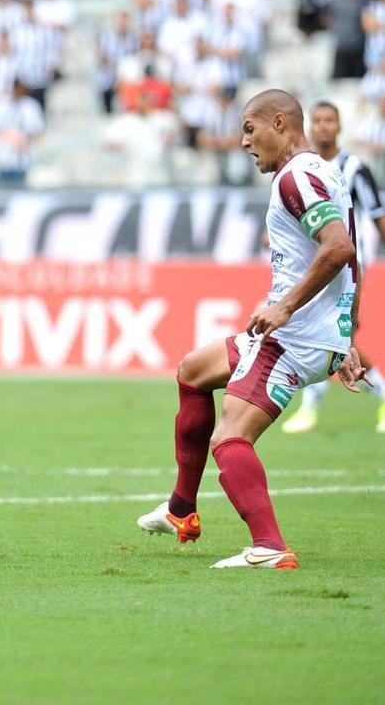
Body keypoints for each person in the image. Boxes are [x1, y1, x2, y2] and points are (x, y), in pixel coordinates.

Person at [137, 89, 366, 569]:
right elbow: (352, 256)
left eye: (249, 129)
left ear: (279, 123)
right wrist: (346, 336)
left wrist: (284, 308)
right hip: (313, 330)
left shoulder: (296, 177)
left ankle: (269, 547)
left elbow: (339, 248)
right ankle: (182, 510)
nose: (244, 142)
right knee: (193, 371)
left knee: (229, 439)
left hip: (293, 335)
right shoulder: (325, 172)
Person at [281, 101, 385, 434]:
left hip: (349, 266)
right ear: (310, 126)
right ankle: (376, 393)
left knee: (338, 337)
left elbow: (378, 217)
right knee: (331, 339)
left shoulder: (355, 168)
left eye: (330, 121)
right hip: (311, 268)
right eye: (318, 120)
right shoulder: (301, 168)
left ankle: (311, 408)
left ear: (339, 126)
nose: (324, 126)